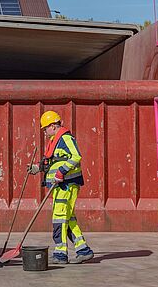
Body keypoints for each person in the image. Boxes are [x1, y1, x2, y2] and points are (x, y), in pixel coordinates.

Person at [28, 110, 94, 264]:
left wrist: (61, 172)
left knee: (59, 218)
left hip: (67, 185)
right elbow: (53, 160)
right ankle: (83, 250)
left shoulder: (65, 138)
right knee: (68, 218)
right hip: (60, 186)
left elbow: (76, 156)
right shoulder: (55, 140)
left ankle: (60, 254)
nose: (44, 132)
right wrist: (38, 168)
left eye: (45, 128)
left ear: (52, 125)